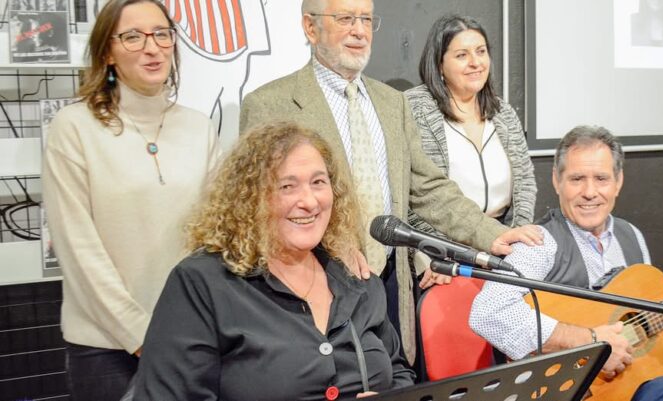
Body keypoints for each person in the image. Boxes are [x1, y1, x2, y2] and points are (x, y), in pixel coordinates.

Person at [239, 0, 542, 365]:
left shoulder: (392, 103)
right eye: (345, 19)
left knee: (391, 379)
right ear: (310, 27)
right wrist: (333, 244)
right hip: (314, 283)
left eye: (366, 19)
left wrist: (488, 233)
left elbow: (427, 187)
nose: (359, 30)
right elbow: (260, 208)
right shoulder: (270, 105)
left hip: (388, 283)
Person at [469, 125, 663, 400]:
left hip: (626, 384)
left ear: (618, 182)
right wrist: (589, 341)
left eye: (601, 178)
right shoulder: (539, 243)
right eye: (576, 179)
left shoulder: (631, 236)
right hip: (562, 390)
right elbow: (487, 314)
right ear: (557, 182)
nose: (589, 192)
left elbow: (656, 331)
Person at [132, 122, 415, 400]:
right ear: (249, 198)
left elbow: (399, 372)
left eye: (318, 182)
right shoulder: (202, 283)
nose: (309, 201)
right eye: (287, 186)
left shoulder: (357, 280)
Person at [41, 0, 219, 399]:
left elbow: (213, 235)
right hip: (106, 349)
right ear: (107, 51)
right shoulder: (74, 128)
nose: (152, 48)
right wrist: (138, 334)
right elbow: (77, 248)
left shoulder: (198, 127)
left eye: (161, 34)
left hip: (191, 338)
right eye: (133, 37)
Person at [405, 14, 537, 289]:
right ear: (439, 64)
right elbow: (415, 195)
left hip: (501, 248)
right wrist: (449, 252)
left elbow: (525, 183)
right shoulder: (414, 109)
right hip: (443, 258)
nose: (476, 62)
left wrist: (513, 239)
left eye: (481, 52)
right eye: (462, 55)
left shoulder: (503, 112)